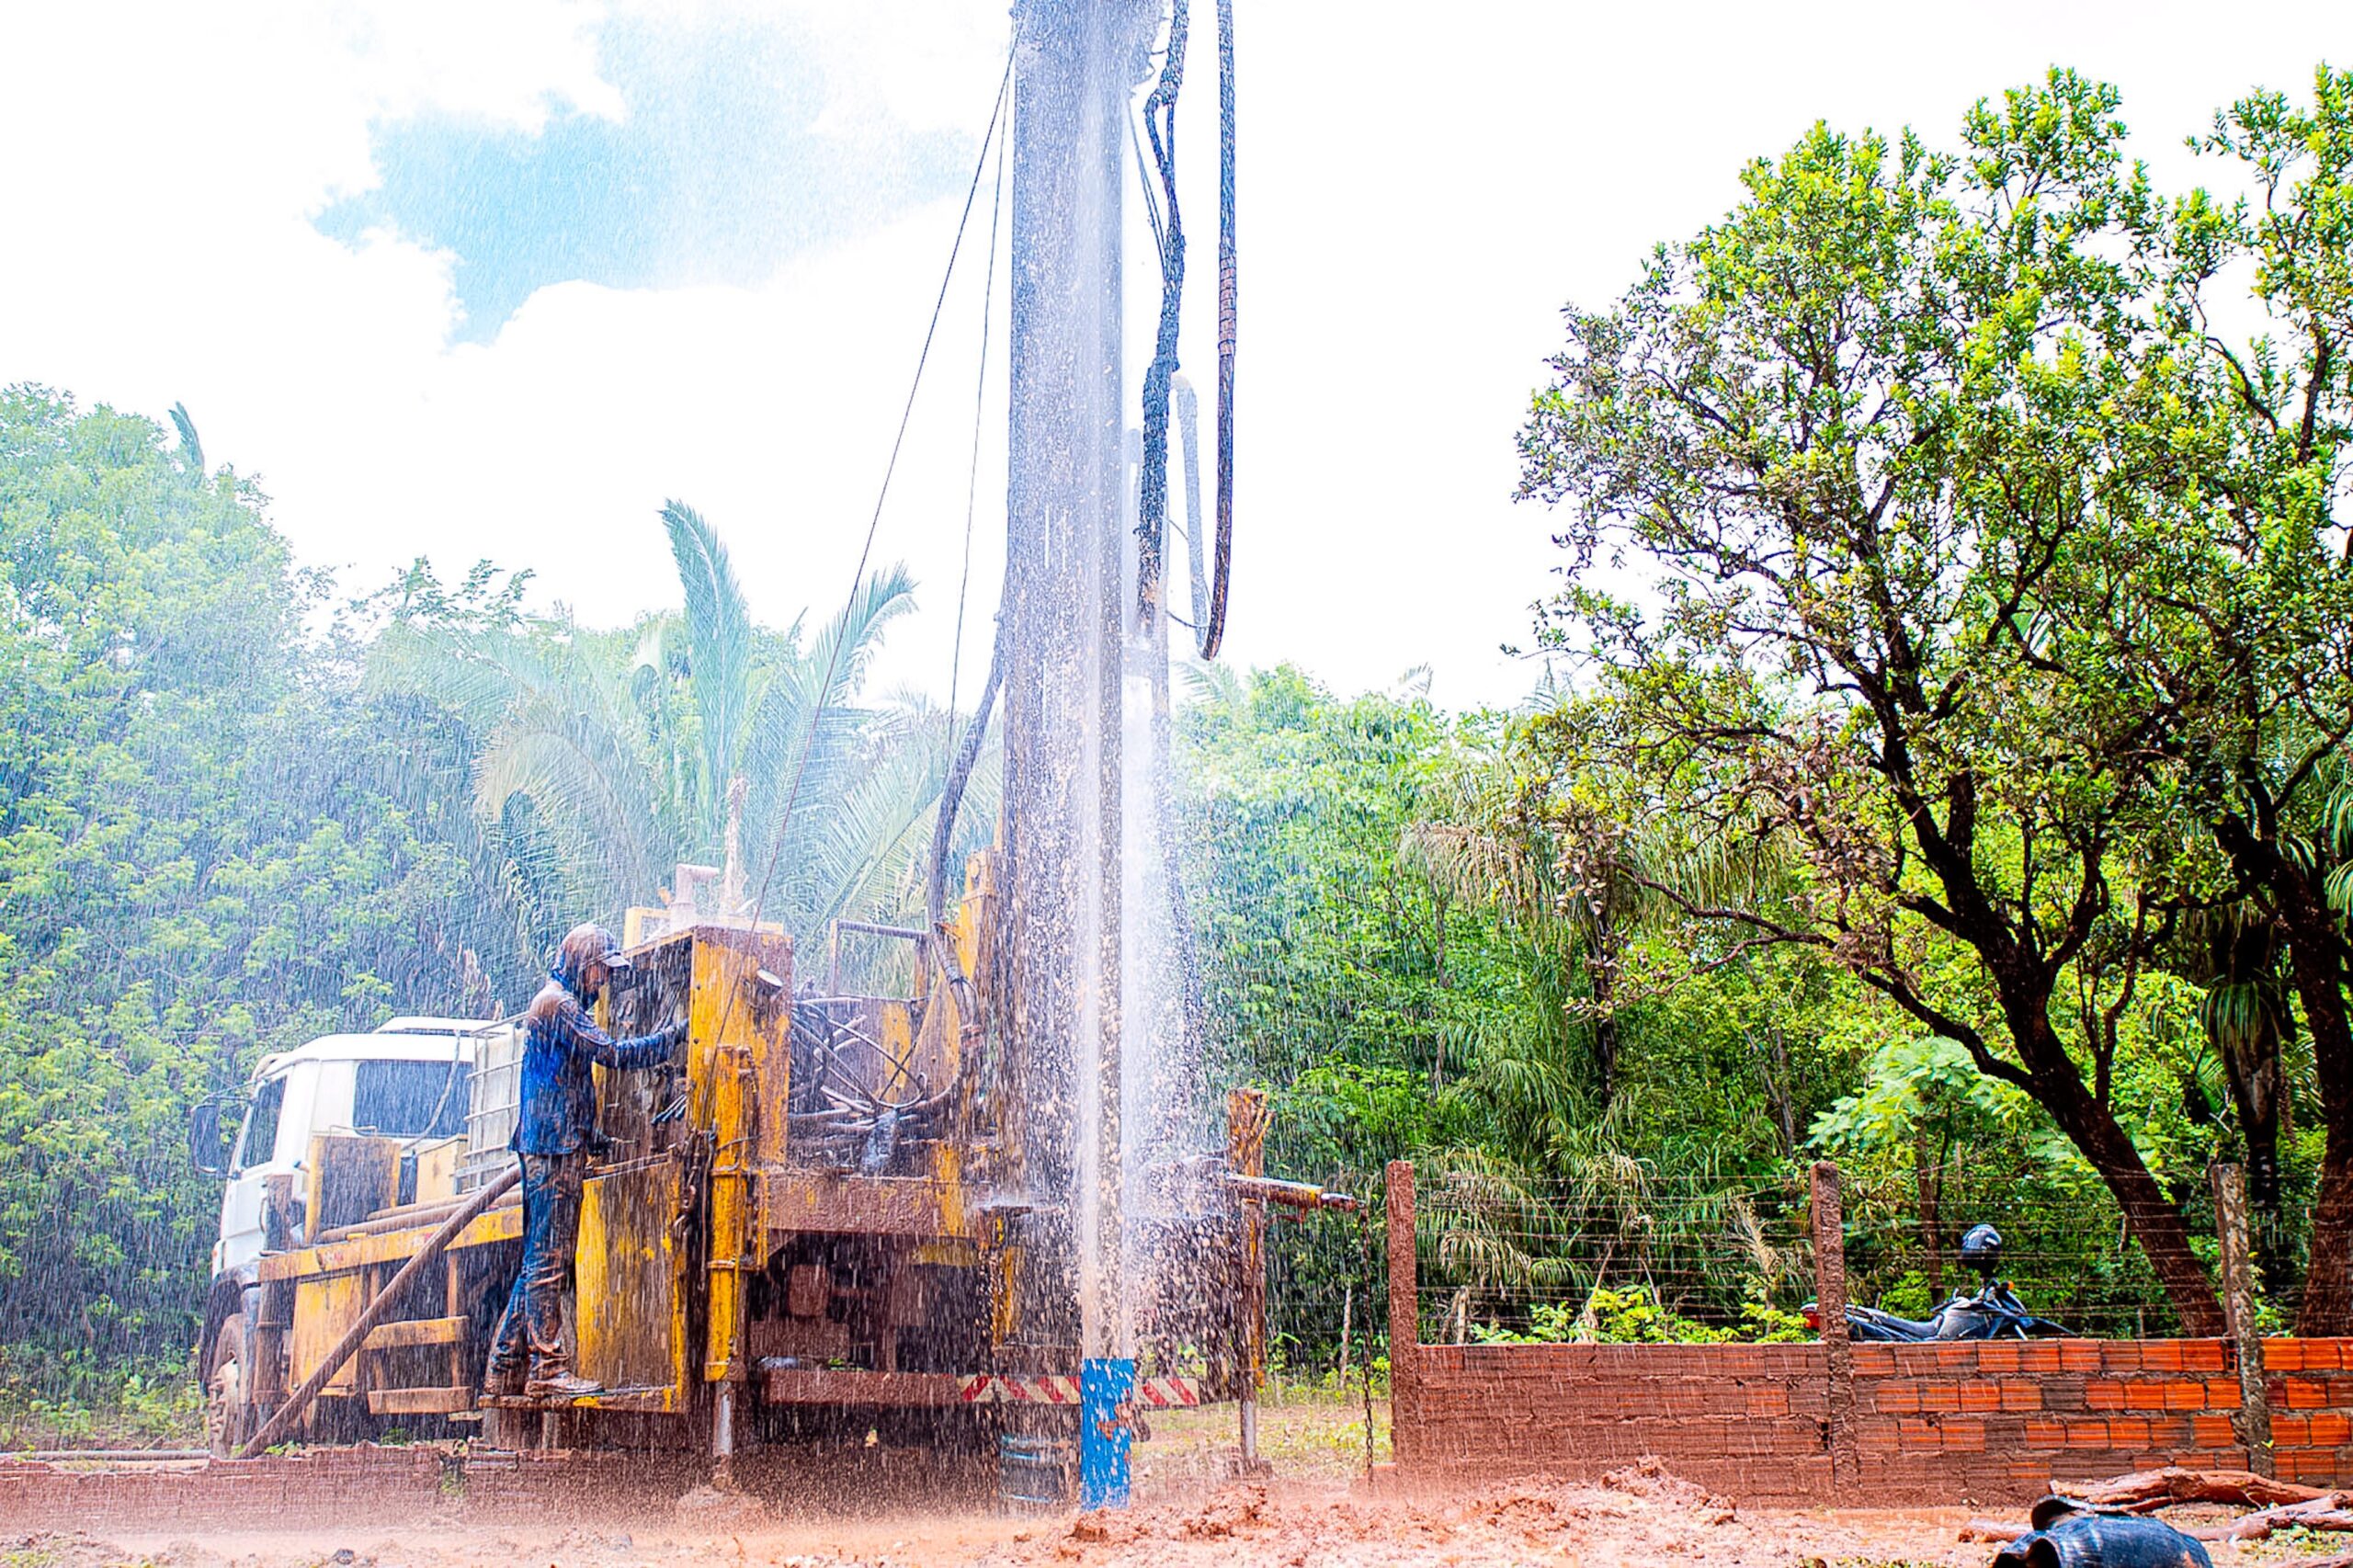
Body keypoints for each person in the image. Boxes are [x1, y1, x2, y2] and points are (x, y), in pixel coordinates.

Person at [484, 923, 687, 1401]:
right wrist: (674, 1037)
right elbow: (611, 1054)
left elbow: (564, 1081)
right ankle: (547, 1370)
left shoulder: (555, 1002)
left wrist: (592, 1135)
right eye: (600, 970)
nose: (604, 980)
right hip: (553, 1148)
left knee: (538, 1261)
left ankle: (504, 1365)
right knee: (549, 1262)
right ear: (583, 964)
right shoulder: (560, 1005)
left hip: (555, 1141)